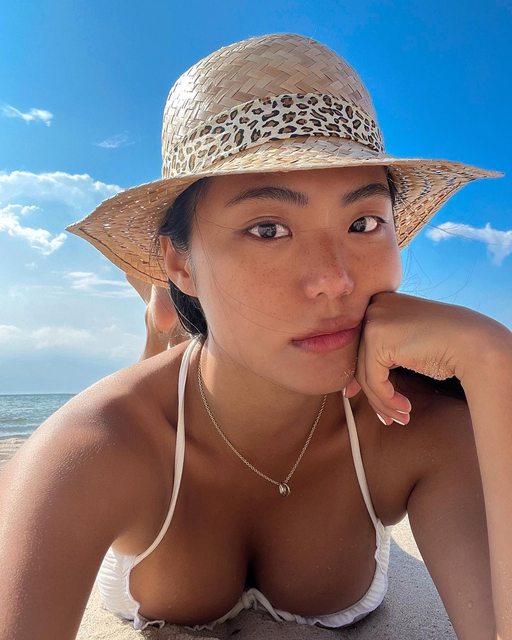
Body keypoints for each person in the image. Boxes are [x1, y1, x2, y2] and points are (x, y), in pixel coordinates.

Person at [0, 33, 510, 640]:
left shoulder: (416, 425)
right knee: (171, 362)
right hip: (176, 384)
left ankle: (175, 313)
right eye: (268, 229)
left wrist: (492, 358)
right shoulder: (95, 446)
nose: (334, 280)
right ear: (181, 260)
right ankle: (164, 319)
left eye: (363, 222)